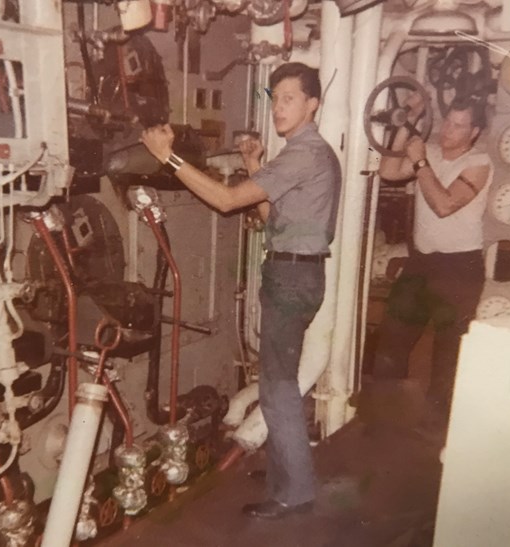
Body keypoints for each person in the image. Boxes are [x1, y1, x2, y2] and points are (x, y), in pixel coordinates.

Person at [141, 62, 342, 519]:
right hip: (298, 273)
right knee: (279, 381)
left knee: (277, 388)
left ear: (312, 103)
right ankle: (286, 474)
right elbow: (275, 220)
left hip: (291, 279)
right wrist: (254, 164)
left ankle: (295, 492)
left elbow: (229, 201)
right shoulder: (309, 152)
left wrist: (168, 159)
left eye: (290, 98)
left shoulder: (302, 154)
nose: (279, 107)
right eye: (275, 97)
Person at [372, 94, 493, 431]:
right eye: (447, 122)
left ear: (473, 132)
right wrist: (407, 118)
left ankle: (436, 438)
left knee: (447, 358)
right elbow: (389, 170)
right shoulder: (432, 153)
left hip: (459, 269)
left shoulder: (479, 163)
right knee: (392, 339)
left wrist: (421, 163)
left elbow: (443, 205)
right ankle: (382, 423)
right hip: (421, 264)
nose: (448, 131)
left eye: (459, 126)